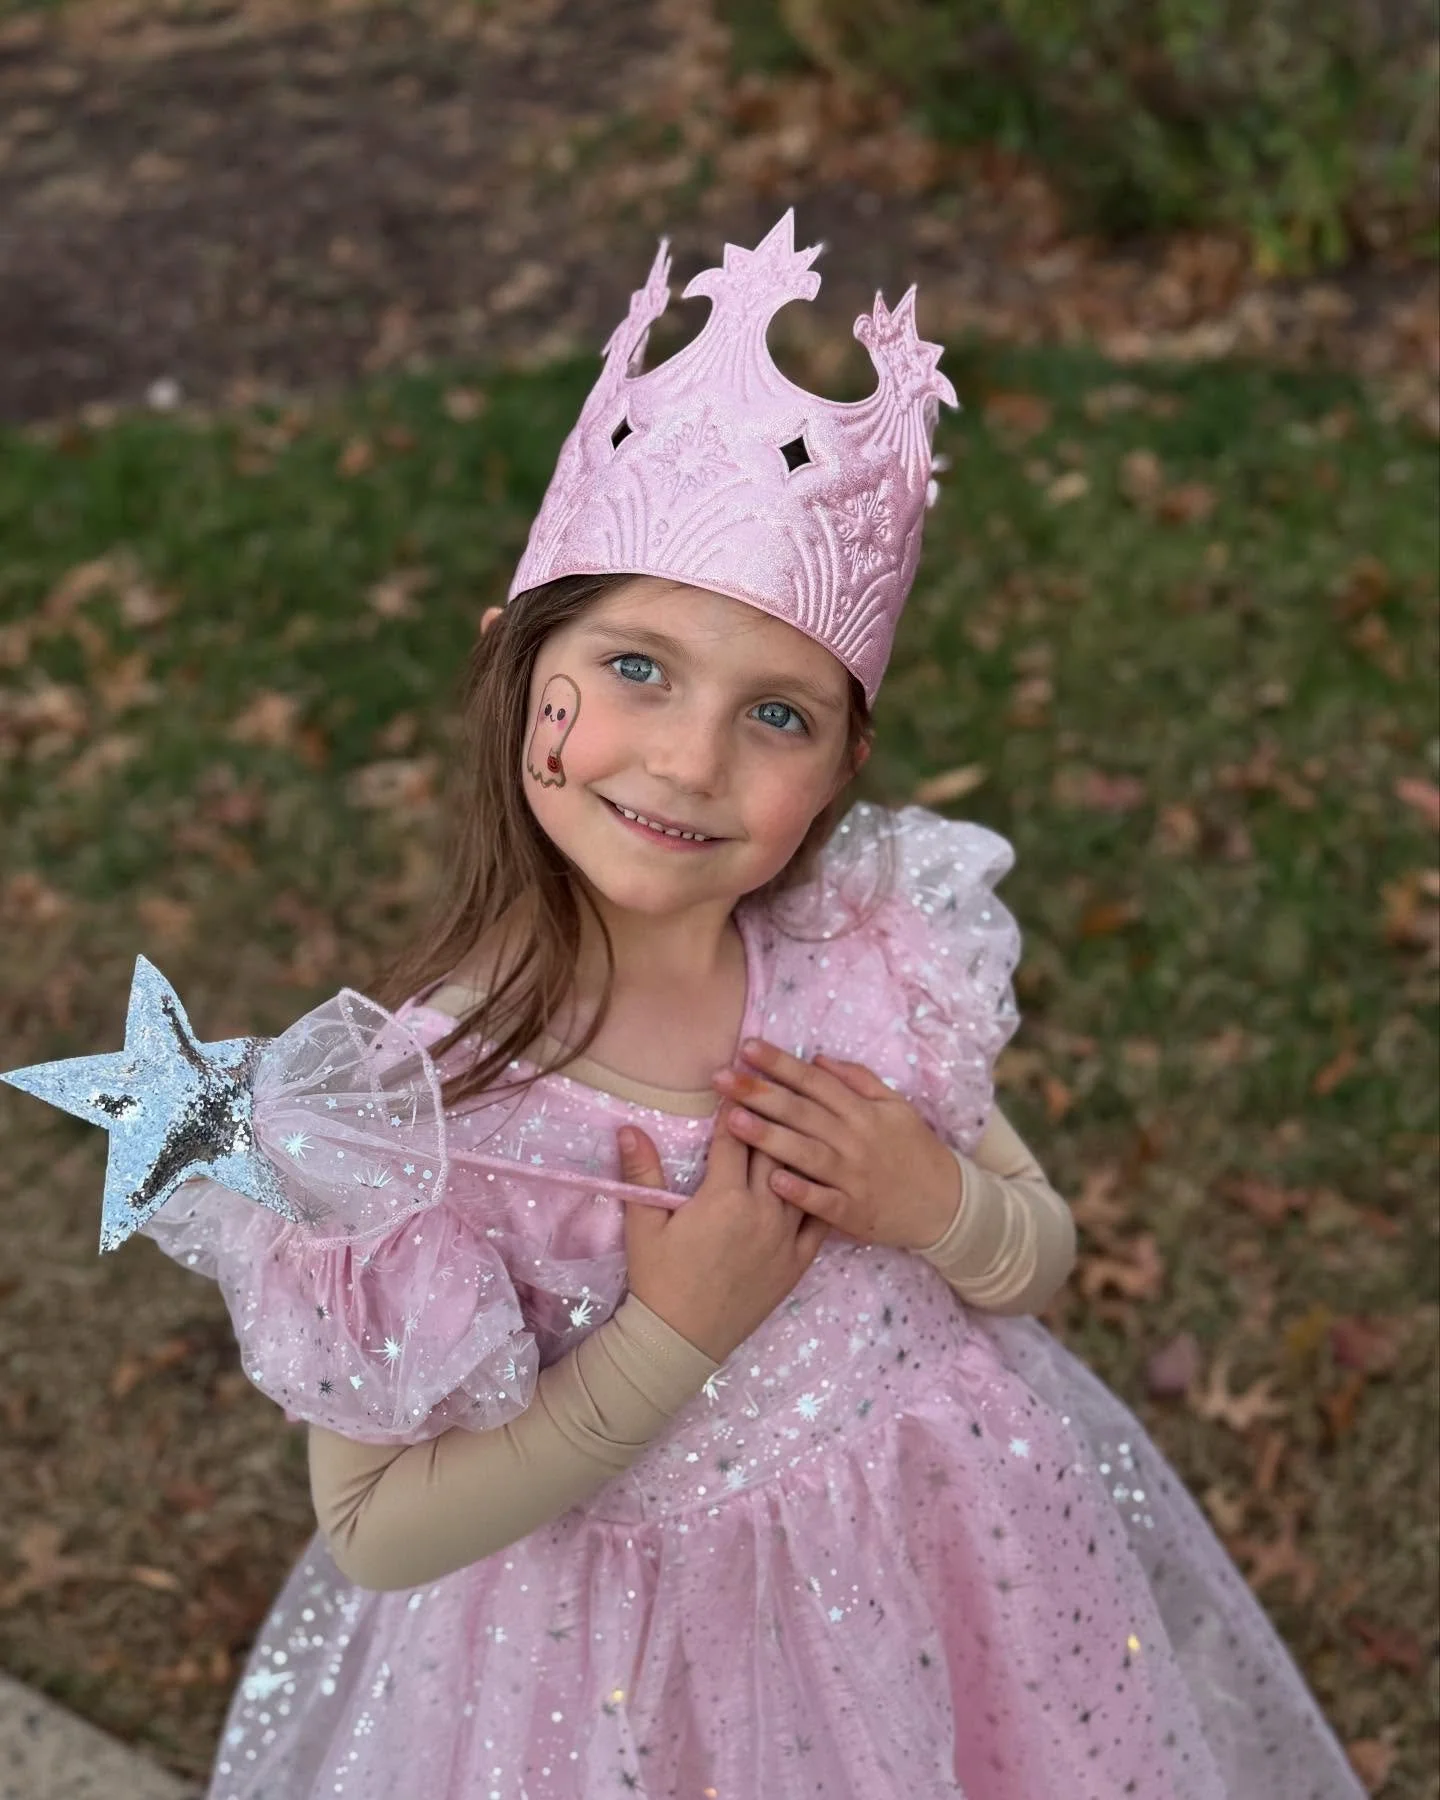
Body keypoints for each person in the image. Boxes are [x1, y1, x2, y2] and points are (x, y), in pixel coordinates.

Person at [119, 215, 1360, 1796]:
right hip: (623, 1681)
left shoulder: (865, 957)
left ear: (844, 765)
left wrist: (941, 1204)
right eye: (635, 668)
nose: (691, 761)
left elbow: (1032, 1257)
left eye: (773, 714)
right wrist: (674, 1335)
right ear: (514, 666)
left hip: (946, 1560)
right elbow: (375, 1531)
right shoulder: (415, 1111)